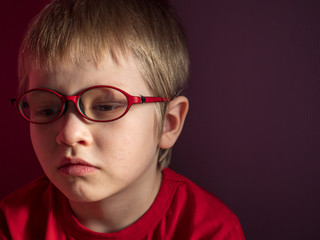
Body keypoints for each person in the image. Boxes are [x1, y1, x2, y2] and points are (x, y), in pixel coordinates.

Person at [0, 0, 245, 239]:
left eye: (105, 107)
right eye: (47, 110)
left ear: (168, 123)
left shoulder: (210, 231)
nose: (69, 134)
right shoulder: (12, 224)